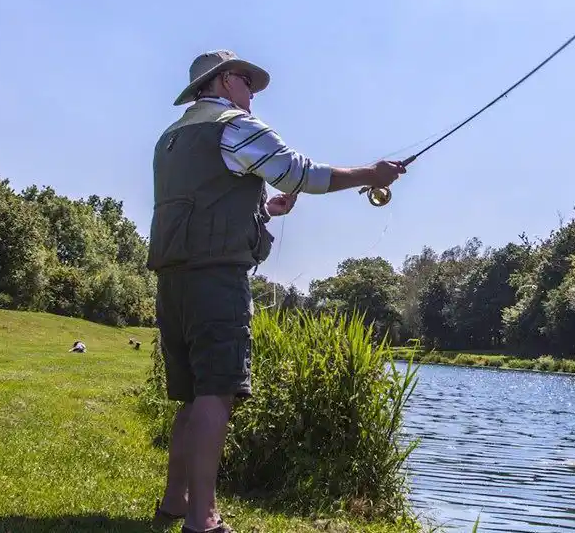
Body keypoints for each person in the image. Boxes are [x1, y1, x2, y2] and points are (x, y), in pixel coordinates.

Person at [146, 50, 406, 533]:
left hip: (173, 280)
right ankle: (203, 520)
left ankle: (175, 504)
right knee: (217, 393)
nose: (253, 93)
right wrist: (371, 174)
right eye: (247, 82)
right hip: (217, 278)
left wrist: (264, 211)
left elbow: (203, 205)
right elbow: (301, 172)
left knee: (191, 397)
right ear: (224, 81)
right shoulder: (234, 126)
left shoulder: (171, 139)